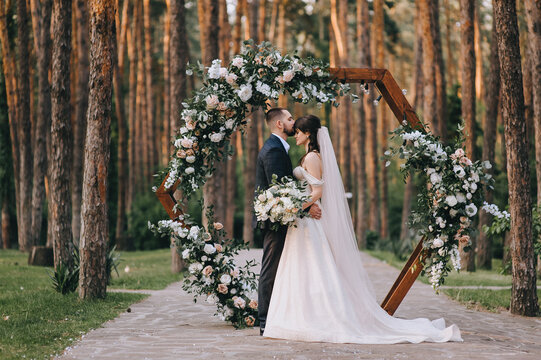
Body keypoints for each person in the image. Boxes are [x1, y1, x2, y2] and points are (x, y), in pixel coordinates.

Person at [262, 114, 462, 344]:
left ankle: (317, 317)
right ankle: (298, 315)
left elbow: (318, 192)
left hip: (309, 219)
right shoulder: (308, 156)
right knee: (302, 269)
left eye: (298, 131)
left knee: (314, 268)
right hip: (304, 221)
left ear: (308, 134)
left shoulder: (313, 157)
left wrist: (295, 207)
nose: (295, 134)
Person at [254, 108, 322, 336]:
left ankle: (281, 315)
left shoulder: (280, 148)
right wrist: (309, 204)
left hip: (286, 218)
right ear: (280, 125)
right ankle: (264, 320)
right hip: (276, 220)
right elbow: (281, 191)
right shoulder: (273, 150)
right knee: (271, 270)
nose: (294, 121)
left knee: (284, 269)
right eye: (290, 118)